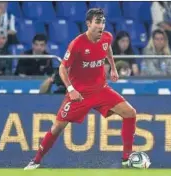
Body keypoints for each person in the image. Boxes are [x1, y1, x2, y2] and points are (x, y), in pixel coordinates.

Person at [24, 8, 136, 170]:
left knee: (130, 113)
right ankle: (36, 160)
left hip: (100, 90)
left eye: (103, 22)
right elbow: (62, 68)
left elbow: (108, 48)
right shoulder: (77, 44)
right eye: (97, 22)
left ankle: (127, 159)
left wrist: (113, 67)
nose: (101, 26)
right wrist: (70, 89)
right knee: (57, 127)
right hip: (79, 94)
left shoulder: (107, 37)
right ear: (88, 23)